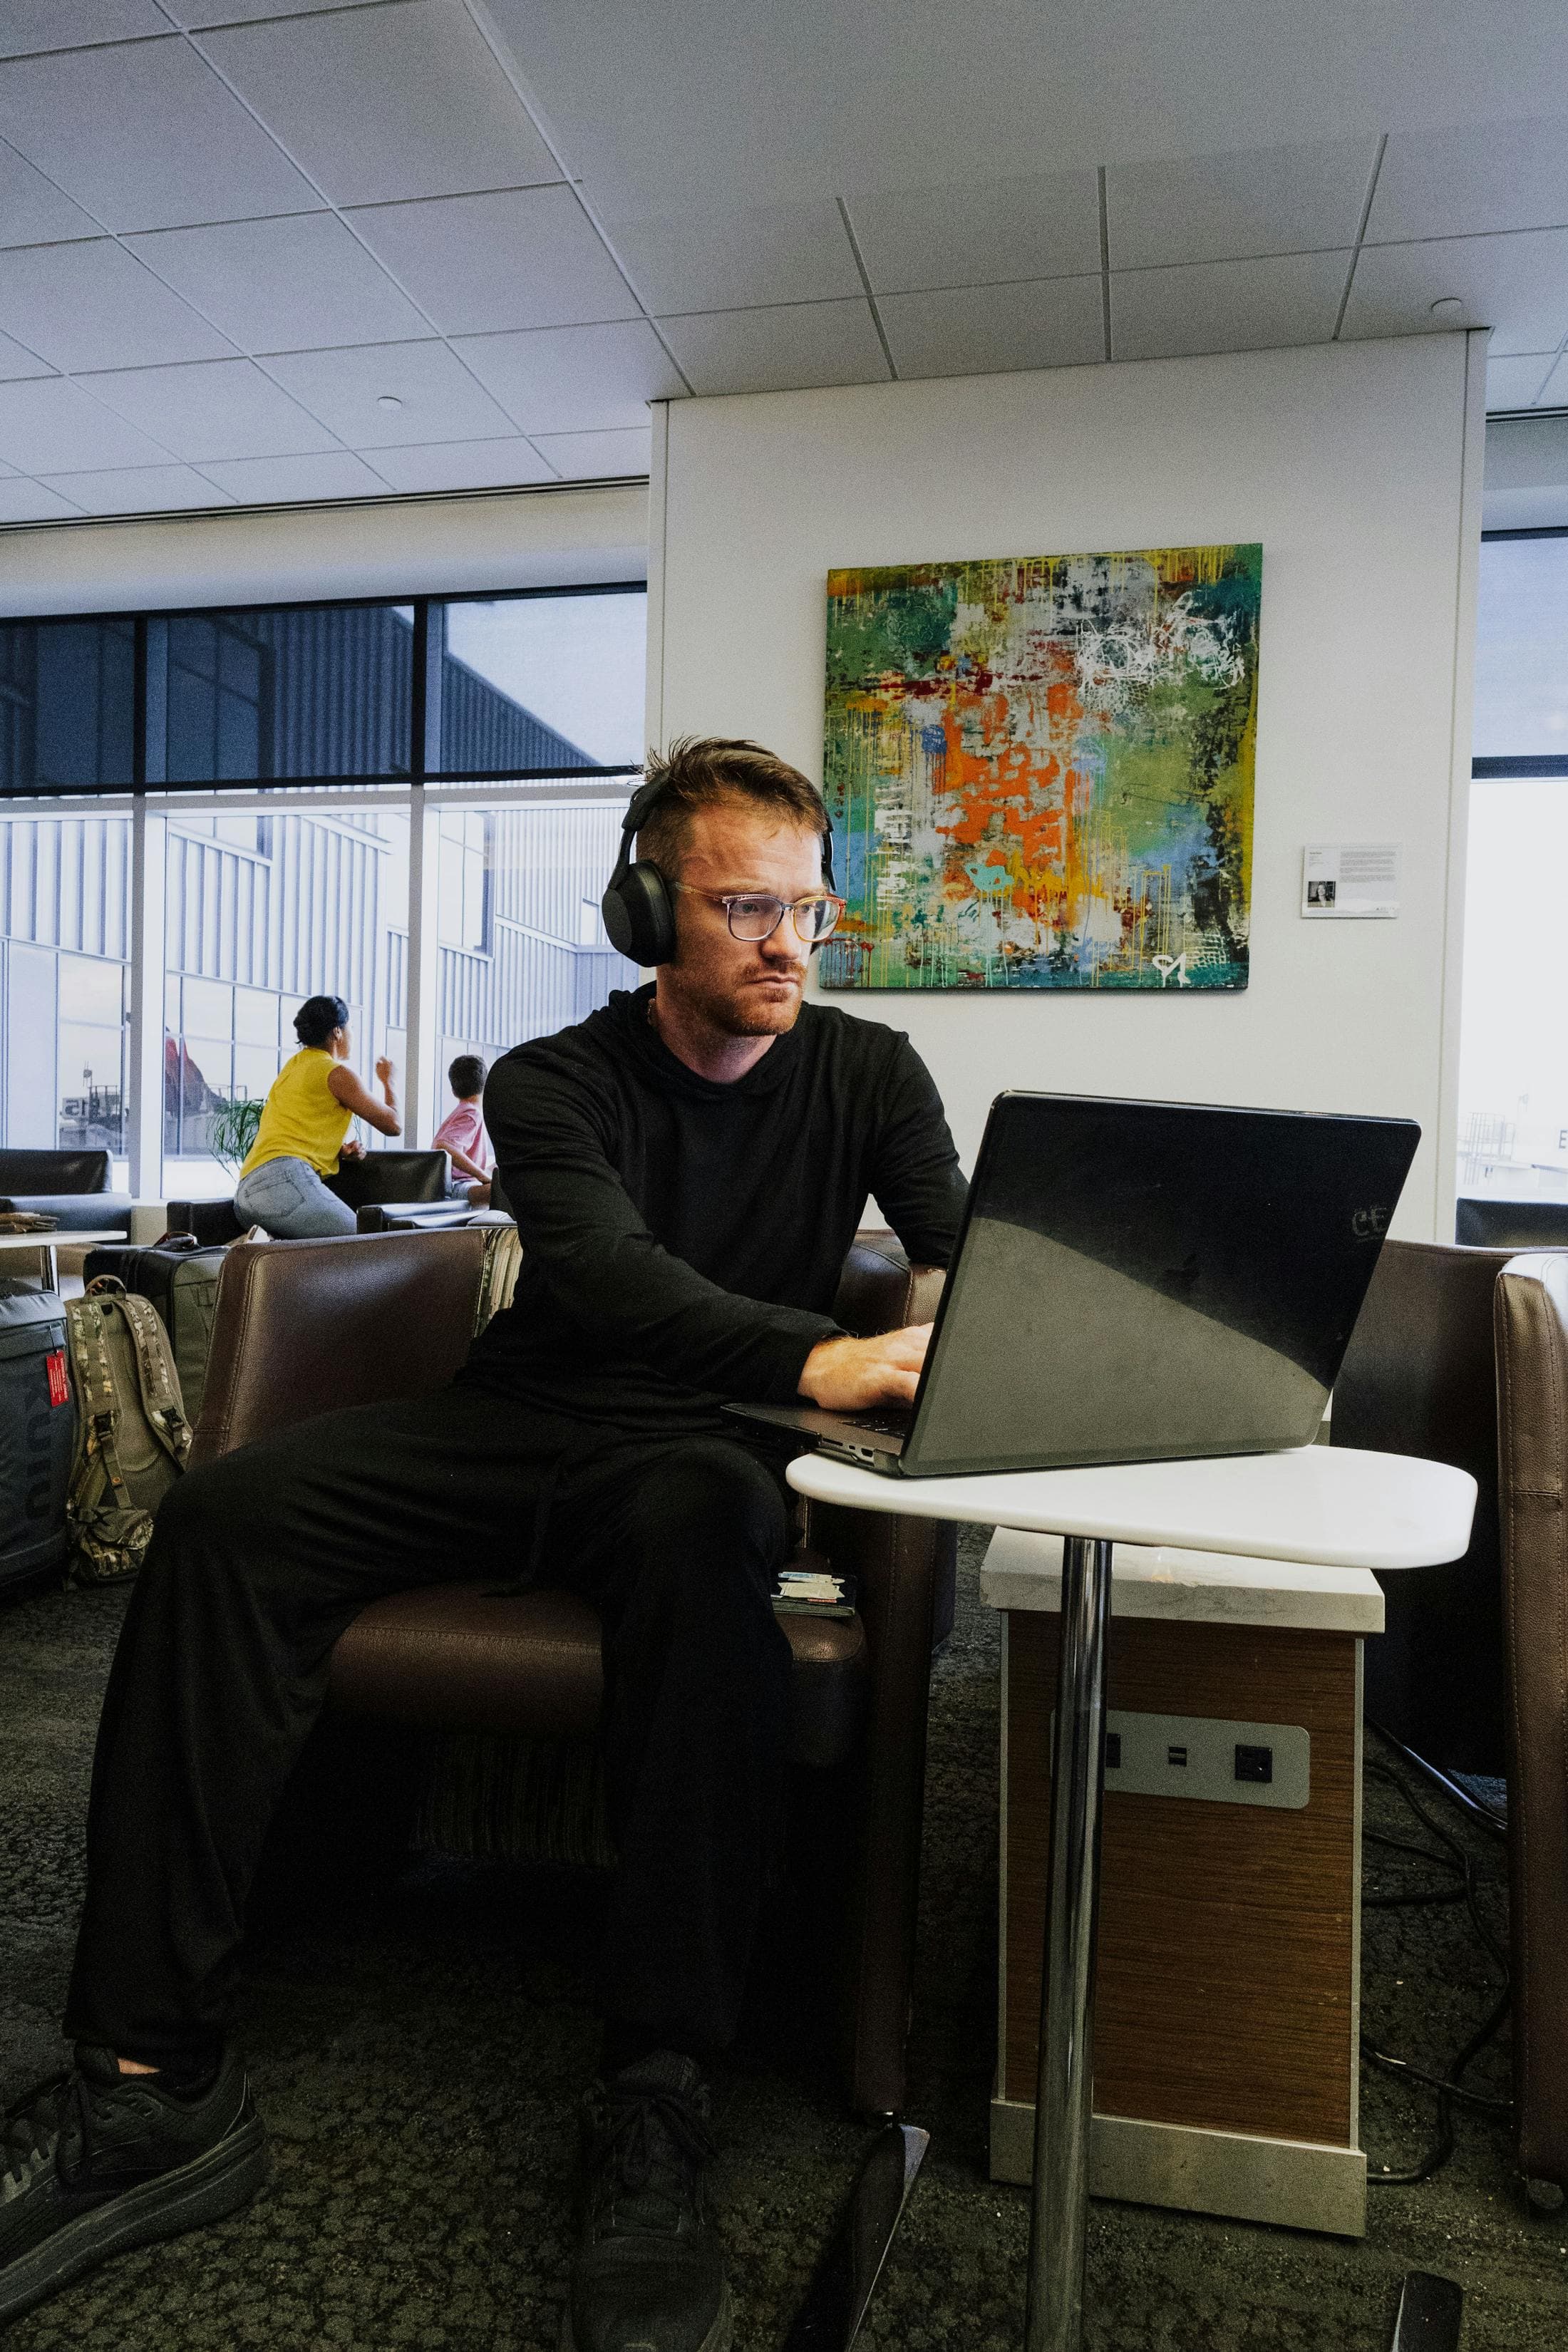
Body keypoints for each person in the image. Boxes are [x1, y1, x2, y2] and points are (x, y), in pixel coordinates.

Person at [0, 738, 966, 2352]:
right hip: (518, 1415)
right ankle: (150, 2078)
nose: (790, 941)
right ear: (647, 912)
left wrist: (968, 1328)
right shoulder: (551, 1080)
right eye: (745, 907)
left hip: (692, 1450)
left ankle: (657, 2093)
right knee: (225, 1521)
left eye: (810, 907)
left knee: (708, 1518)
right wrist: (817, 1356)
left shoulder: (868, 1071)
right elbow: (598, 1279)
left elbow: (963, 1252)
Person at [231, 995, 401, 1237]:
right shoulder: (337, 1073)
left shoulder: (294, 1066)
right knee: (364, 1245)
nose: (352, 1034)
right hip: (282, 1183)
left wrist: (339, 1150)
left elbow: (293, 1127)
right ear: (338, 1032)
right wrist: (388, 1081)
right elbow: (393, 1125)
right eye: (350, 1027)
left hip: (247, 1193)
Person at [433, 1052, 492, 1207]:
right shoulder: (471, 1113)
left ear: (454, 1090)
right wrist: (483, 1177)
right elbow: (443, 1146)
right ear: (486, 1084)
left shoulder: (463, 1110)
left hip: (457, 1183)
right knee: (503, 1191)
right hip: (453, 1187)